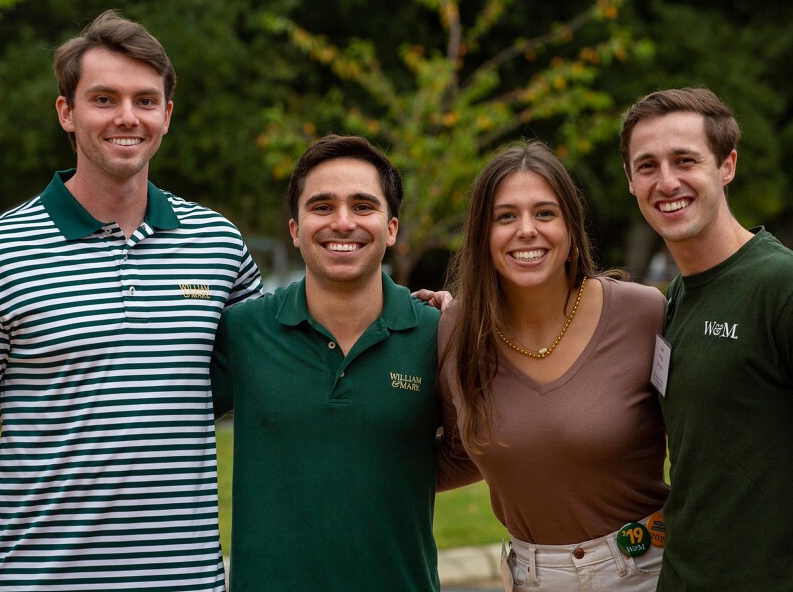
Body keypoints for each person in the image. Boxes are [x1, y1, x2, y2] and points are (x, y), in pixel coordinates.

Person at [0, 11, 261, 591]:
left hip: (184, 579)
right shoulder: (3, 251)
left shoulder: (218, 245)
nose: (126, 117)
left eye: (145, 100)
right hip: (35, 579)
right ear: (66, 112)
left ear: (167, 115)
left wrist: (415, 317)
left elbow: (285, 368)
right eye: (103, 99)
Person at [211, 134, 444, 591]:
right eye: (322, 206)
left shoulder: (437, 334)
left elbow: (491, 445)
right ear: (295, 229)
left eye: (363, 206)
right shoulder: (244, 331)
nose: (343, 222)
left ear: (391, 228)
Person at [437, 139, 669, 591]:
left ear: (571, 228)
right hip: (531, 578)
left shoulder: (644, 314)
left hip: (647, 570)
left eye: (545, 213)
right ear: (482, 234)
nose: (527, 230)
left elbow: (702, 442)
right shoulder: (456, 331)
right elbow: (458, 453)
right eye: (506, 217)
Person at [619, 87, 793, 591]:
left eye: (685, 160)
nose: (666, 181)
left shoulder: (779, 286)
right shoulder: (677, 296)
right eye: (647, 166)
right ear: (630, 181)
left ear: (727, 165)